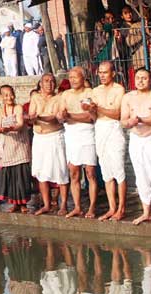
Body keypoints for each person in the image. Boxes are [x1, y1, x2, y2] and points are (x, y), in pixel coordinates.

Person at [121, 68, 151, 225]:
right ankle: (146, 212)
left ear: (150, 80)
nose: (140, 81)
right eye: (138, 78)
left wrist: (140, 119)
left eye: (144, 78)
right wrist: (129, 123)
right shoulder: (128, 97)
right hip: (136, 138)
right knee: (140, 176)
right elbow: (123, 120)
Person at [56, 67, 98, 219]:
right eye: (70, 77)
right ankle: (78, 207)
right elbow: (60, 117)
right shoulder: (65, 94)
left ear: (83, 77)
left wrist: (70, 116)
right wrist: (63, 116)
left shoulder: (89, 93)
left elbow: (90, 117)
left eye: (76, 77)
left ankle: (92, 206)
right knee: (74, 173)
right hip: (71, 134)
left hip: (87, 133)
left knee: (90, 172)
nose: (73, 80)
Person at [90, 61, 127, 222]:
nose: (102, 75)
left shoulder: (119, 89)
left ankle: (122, 208)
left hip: (114, 129)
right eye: (100, 72)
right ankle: (112, 207)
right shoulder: (95, 91)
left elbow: (117, 113)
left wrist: (97, 108)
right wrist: (90, 110)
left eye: (105, 72)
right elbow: (93, 117)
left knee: (118, 171)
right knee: (106, 172)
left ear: (112, 73)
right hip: (100, 129)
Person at [28, 73, 69, 216]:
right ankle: (46, 204)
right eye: (46, 81)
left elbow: (54, 118)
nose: (49, 84)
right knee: (41, 172)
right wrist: (30, 118)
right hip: (39, 137)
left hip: (55, 137)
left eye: (52, 81)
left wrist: (38, 117)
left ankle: (63, 204)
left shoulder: (60, 98)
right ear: (40, 83)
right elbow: (31, 116)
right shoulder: (35, 97)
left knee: (61, 171)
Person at [0, 85, 32, 212]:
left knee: (21, 174)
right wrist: (1, 129)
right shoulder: (0, 111)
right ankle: (14, 203)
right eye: (6, 95)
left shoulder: (18, 108)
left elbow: (20, 124)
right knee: (10, 174)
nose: (9, 97)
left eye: (11, 94)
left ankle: (23, 204)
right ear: (1, 97)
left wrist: (10, 128)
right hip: (8, 145)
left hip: (20, 144)